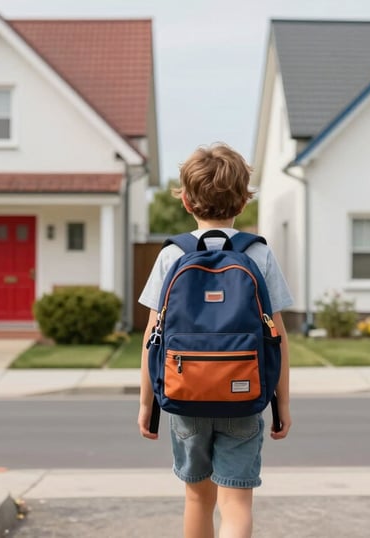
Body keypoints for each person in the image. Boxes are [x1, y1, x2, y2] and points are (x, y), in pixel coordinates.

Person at [137, 142, 293, 538]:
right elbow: (277, 336)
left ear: (186, 200)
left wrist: (146, 405)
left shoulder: (172, 255)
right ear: (243, 200)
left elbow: (151, 336)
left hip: (184, 394)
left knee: (196, 498)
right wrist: (283, 404)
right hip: (243, 396)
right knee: (236, 502)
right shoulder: (257, 254)